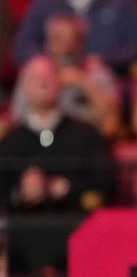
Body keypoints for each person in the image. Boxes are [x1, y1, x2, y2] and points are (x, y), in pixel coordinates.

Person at [0, 55, 116, 212]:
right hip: (21, 229)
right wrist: (20, 193)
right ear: (24, 87)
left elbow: (107, 184)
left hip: (74, 224)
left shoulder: (85, 134)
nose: (43, 82)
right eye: (35, 77)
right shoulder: (11, 141)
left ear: (60, 82)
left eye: (49, 76)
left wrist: (67, 187)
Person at [31, 13, 120, 135]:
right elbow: (19, 117)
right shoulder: (35, 72)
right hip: (43, 137)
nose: (67, 47)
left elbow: (112, 118)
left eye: (73, 39)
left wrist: (84, 82)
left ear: (82, 43)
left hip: (84, 138)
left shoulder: (97, 71)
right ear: (48, 43)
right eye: (59, 39)